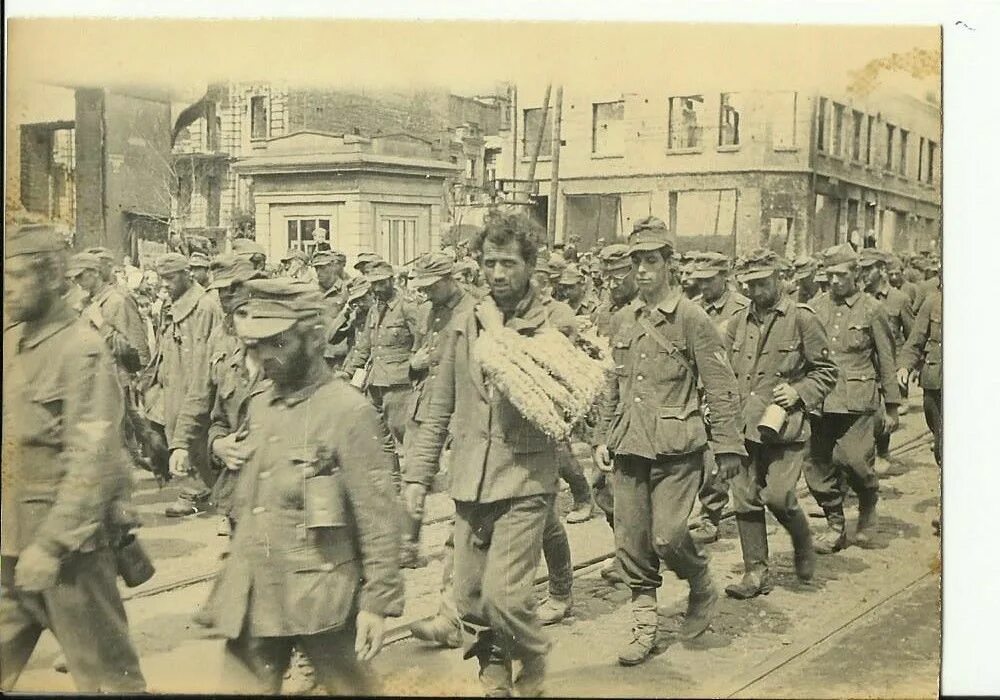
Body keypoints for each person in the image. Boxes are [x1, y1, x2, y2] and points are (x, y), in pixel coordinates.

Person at [198, 278, 403, 695]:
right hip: (256, 592)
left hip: (321, 596)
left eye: (278, 344)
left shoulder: (347, 411)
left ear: (310, 339)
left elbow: (379, 518)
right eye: (254, 347)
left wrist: (377, 603)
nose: (264, 358)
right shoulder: (260, 405)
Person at [403, 210, 569, 696]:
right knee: (471, 598)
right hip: (470, 480)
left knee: (506, 598)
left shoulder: (552, 323)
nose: (498, 274)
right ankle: (494, 680)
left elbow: (564, 401)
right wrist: (417, 476)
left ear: (530, 265)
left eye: (509, 263)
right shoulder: (464, 323)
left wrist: (510, 350)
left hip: (523, 479)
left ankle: (534, 655)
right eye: (491, 262)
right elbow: (440, 407)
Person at [594, 216, 745, 666]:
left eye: (651, 261)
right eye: (636, 261)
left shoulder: (692, 319)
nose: (641, 270)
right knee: (631, 540)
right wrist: (602, 435)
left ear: (669, 264)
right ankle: (645, 626)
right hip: (629, 444)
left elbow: (720, 385)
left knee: (668, 536)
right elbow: (613, 383)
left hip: (677, 447)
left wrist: (728, 446)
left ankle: (700, 581)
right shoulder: (623, 319)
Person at [2, 224, 146, 693]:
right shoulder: (11, 343)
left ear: (49, 278)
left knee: (108, 682)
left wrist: (53, 544)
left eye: (19, 276)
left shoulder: (80, 350)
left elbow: (93, 459)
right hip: (10, 550)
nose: (7, 287)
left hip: (69, 558)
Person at [723, 250, 838, 599]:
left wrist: (799, 390)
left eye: (762, 283)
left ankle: (802, 539)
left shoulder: (802, 319)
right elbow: (724, 372)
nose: (756, 291)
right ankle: (755, 572)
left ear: (779, 278)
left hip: (784, 429)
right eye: (750, 284)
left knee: (779, 497)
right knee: (743, 498)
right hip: (745, 426)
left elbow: (828, 372)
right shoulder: (738, 322)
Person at [404, 252, 479, 650]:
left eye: (433, 285)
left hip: (466, 424)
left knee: (467, 524)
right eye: (423, 287)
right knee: (463, 525)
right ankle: (454, 615)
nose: (428, 293)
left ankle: (558, 584)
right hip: (433, 411)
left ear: (451, 279)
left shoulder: (474, 312)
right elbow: (425, 363)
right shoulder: (430, 312)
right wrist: (414, 364)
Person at [804, 244, 901, 553]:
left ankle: (868, 503)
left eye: (841, 275)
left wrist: (893, 407)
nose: (834, 282)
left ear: (856, 274)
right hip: (820, 400)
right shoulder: (815, 307)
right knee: (816, 465)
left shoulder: (872, 309)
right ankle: (835, 524)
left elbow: (886, 359)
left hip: (858, 401)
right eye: (829, 275)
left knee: (854, 461)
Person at [342, 260, 428, 567]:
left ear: (391, 279)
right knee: (384, 456)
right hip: (376, 388)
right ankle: (395, 528)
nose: (376, 288)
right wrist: (347, 372)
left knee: (414, 463)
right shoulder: (375, 308)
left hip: (401, 389)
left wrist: (416, 366)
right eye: (372, 283)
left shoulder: (408, 306)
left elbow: (425, 342)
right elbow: (365, 346)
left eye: (381, 282)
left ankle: (411, 544)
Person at [152, 253, 226, 517]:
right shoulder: (175, 303)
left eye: (170, 278)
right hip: (173, 380)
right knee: (173, 431)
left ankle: (195, 492)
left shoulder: (203, 307)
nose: (164, 284)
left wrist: (197, 390)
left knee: (194, 435)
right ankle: (206, 489)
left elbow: (203, 356)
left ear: (187, 275)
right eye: (161, 278)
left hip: (192, 383)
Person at [687, 252, 750, 545]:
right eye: (699, 281)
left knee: (726, 455)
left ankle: (723, 514)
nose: (703, 287)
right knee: (705, 455)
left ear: (725, 277)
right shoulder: (693, 309)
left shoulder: (742, 309)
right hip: (701, 391)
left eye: (709, 280)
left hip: (735, 391)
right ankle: (708, 514)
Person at [860, 249, 915, 470]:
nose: (863, 274)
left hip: (888, 365)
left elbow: (911, 336)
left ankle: (882, 453)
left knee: (883, 415)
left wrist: (905, 367)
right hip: (864, 366)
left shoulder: (899, 299)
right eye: (861, 269)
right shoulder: (859, 299)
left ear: (881, 269)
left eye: (868, 269)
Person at [898, 285, 943, 469]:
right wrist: (904, 367)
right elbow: (916, 339)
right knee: (942, 444)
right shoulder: (933, 301)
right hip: (936, 383)